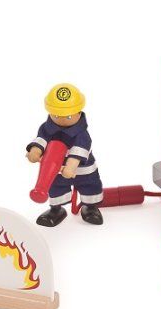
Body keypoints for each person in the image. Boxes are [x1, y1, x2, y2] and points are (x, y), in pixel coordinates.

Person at [26, 83, 104, 226]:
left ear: (78, 112)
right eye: (56, 115)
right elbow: (41, 139)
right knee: (56, 188)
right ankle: (56, 210)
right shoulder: (47, 128)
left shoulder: (82, 134)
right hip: (56, 171)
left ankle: (90, 207)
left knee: (90, 186)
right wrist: (35, 151)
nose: (61, 119)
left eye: (68, 116)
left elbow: (79, 151)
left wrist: (71, 167)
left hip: (83, 170)